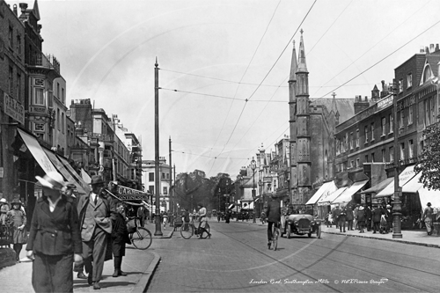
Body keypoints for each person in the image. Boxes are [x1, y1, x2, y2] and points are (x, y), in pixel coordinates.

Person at [26, 171, 83, 292]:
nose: (44, 189)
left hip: (63, 251)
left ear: (57, 189)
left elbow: (75, 229)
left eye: (47, 186)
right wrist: (29, 247)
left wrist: (78, 252)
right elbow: (34, 225)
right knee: (40, 285)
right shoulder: (40, 203)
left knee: (62, 286)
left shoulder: (68, 205)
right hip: (41, 249)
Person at [77, 175, 113, 290]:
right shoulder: (84, 198)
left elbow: (113, 213)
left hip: (101, 230)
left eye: (100, 186)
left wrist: (108, 221)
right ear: (92, 187)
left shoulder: (107, 199)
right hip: (86, 229)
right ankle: (91, 271)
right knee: (85, 255)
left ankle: (96, 280)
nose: (98, 188)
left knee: (99, 256)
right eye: (96, 186)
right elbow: (79, 214)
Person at [111, 202, 130, 277]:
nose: (122, 210)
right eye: (121, 208)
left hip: (122, 238)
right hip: (116, 238)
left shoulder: (122, 216)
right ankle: (116, 270)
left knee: (121, 254)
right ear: (117, 208)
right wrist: (114, 235)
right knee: (117, 254)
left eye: (123, 208)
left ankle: (119, 269)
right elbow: (111, 226)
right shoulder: (115, 216)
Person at [7, 198, 27, 262]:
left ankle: (18, 255)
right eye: (15, 205)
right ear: (12, 205)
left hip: (21, 229)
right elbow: (7, 220)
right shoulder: (10, 212)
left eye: (17, 205)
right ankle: (16, 256)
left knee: (20, 244)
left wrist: (23, 225)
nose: (16, 206)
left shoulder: (21, 212)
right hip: (14, 230)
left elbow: (25, 219)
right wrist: (10, 224)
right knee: (15, 243)